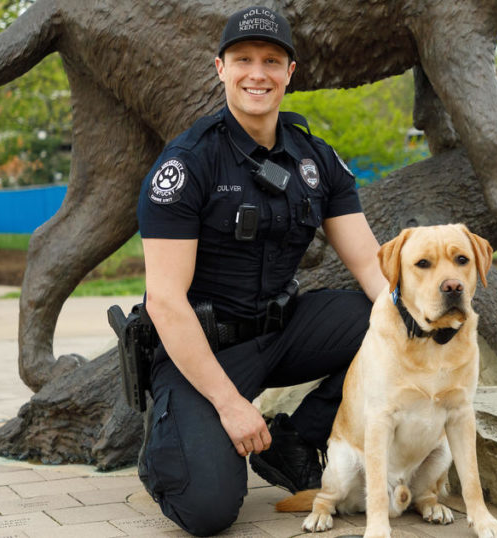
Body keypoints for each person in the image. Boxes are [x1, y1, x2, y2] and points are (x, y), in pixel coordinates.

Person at [135, 6, 385, 536]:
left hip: (281, 333)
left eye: (271, 61)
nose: (257, 73)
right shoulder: (188, 163)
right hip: (201, 351)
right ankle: (170, 445)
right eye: (243, 60)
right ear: (220, 68)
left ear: (290, 73)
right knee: (207, 511)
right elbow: (165, 302)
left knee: (388, 319)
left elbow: (369, 263)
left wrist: (412, 325)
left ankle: (296, 438)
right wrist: (230, 405)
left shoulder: (317, 160)